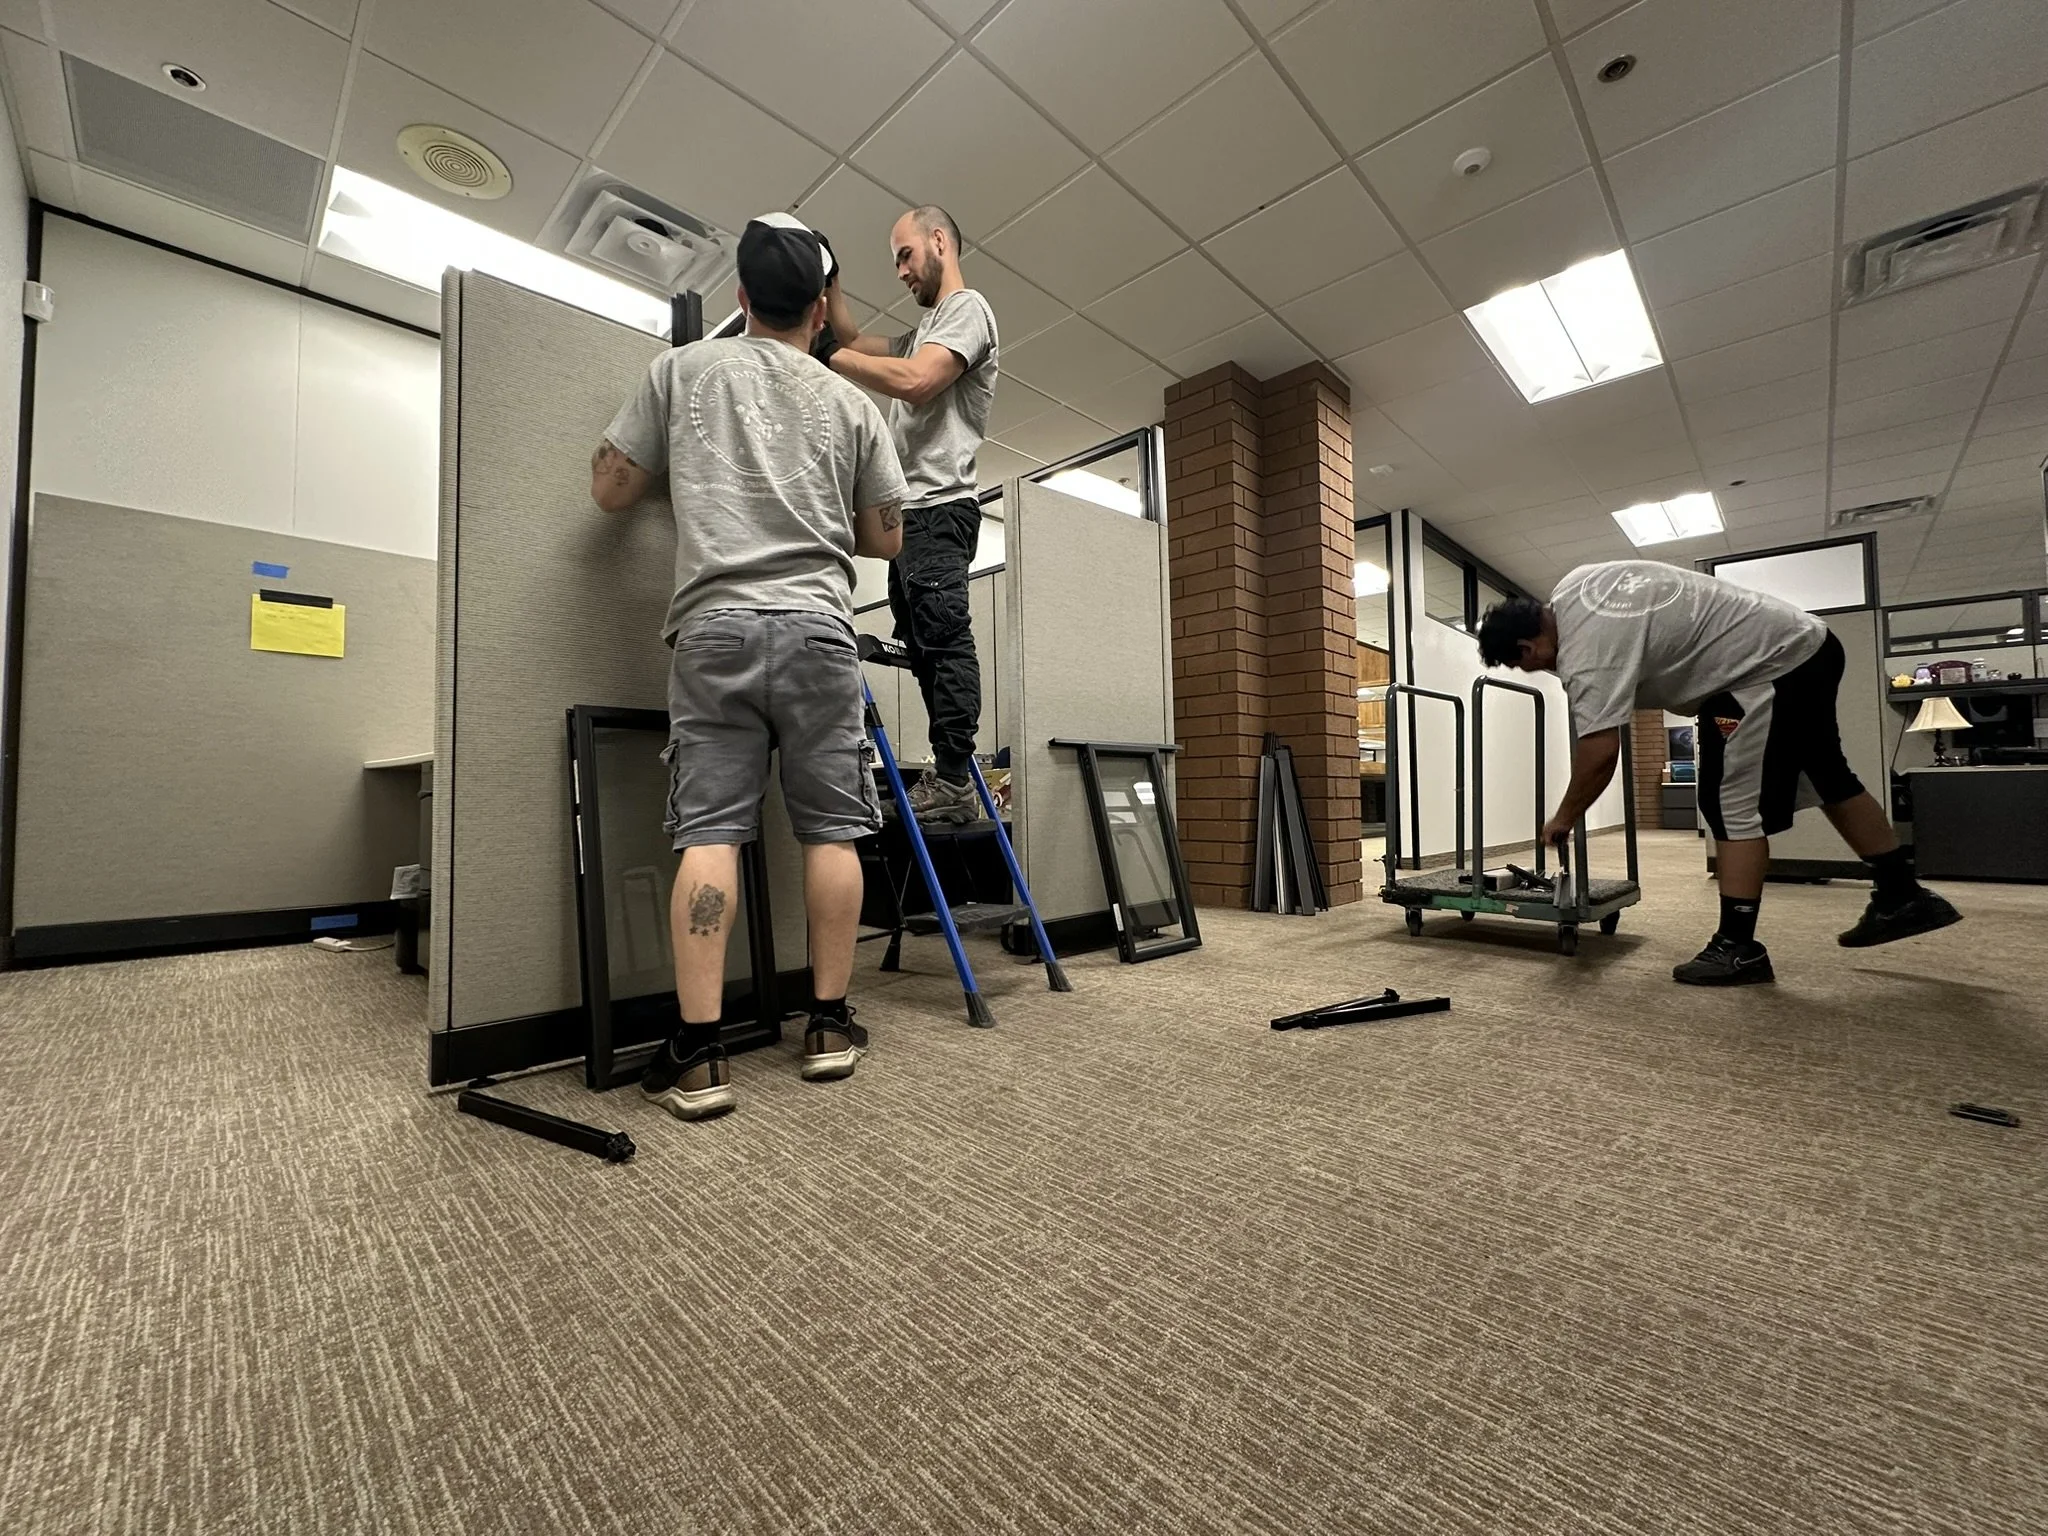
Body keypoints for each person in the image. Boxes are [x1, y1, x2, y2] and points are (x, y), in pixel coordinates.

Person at [591, 212, 909, 1120]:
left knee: (709, 834)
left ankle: (698, 1056)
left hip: (714, 632)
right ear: (819, 308)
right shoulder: (852, 404)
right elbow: (887, 536)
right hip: (816, 632)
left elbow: (610, 492)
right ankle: (830, 1026)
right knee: (832, 833)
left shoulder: (679, 373)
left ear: (739, 299)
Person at [1476, 560, 1960, 986]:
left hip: (1763, 668)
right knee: (1828, 776)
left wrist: (1563, 817)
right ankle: (1902, 893)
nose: (1545, 670)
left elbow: (1601, 751)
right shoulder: (1578, 584)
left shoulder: (1587, 655)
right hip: (1807, 646)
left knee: (1728, 805)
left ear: (1526, 646)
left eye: (1531, 666)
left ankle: (1738, 949)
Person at [816, 205, 998, 825]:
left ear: (939, 241)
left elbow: (917, 381)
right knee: (921, 643)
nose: (899, 271)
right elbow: (855, 343)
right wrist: (830, 284)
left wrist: (825, 357)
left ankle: (952, 780)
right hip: (910, 518)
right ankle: (950, 776)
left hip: (940, 509)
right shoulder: (927, 330)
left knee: (944, 642)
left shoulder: (967, 312)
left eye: (905, 255)